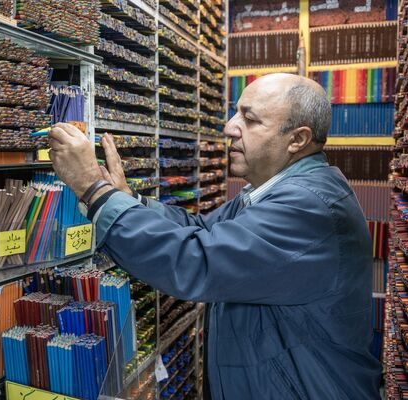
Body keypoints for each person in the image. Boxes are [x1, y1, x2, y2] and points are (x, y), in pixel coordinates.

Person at [47, 73, 382, 399]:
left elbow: (194, 259)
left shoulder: (308, 206)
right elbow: (201, 230)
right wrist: (126, 199)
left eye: (249, 120)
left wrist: (94, 190)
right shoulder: (273, 193)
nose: (229, 128)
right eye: (235, 113)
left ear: (297, 139)